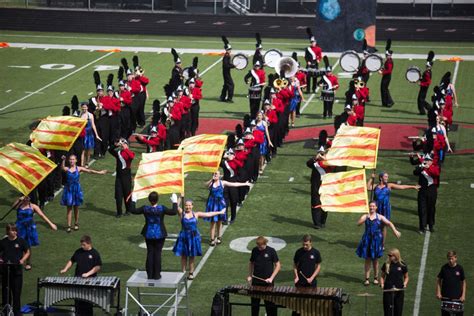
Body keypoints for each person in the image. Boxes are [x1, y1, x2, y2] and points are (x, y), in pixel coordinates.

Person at [172, 199, 225, 280]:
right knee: (183, 256)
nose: (188, 207)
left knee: (192, 256)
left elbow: (208, 214)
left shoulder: (196, 214)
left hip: (193, 236)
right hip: (184, 236)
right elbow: (176, 206)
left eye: (189, 205)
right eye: (186, 205)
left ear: (192, 206)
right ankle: (182, 273)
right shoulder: (181, 213)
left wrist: (220, 212)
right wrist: (180, 196)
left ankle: (191, 273)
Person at [130, 191, 178, 279]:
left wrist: (134, 200)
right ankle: (156, 274)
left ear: (149, 200)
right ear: (157, 199)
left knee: (150, 252)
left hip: (148, 233)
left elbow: (133, 210)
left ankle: (150, 274)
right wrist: (174, 201)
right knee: (158, 253)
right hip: (160, 233)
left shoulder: (145, 208)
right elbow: (174, 212)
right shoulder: (161, 208)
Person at [356, 201, 401, 286]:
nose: (371, 208)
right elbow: (358, 224)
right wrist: (362, 220)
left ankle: (376, 278)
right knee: (367, 260)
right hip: (367, 240)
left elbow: (389, 223)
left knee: (375, 260)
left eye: (373, 206)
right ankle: (367, 279)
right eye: (370, 206)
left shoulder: (380, 217)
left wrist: (395, 230)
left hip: (376, 241)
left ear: (376, 207)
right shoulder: (365, 216)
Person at [367, 172, 419, 243]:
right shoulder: (376, 186)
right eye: (385, 177)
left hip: (385, 209)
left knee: (383, 227)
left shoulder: (389, 186)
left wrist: (412, 187)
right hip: (376, 208)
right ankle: (374, 240)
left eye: (387, 177)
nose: (387, 178)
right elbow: (368, 187)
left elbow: (402, 187)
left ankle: (382, 245)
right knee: (374, 224)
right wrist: (371, 178)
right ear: (381, 178)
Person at [60, 154, 107, 233]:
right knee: (69, 208)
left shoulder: (79, 168)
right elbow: (62, 168)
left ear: (76, 160)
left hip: (76, 189)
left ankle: (76, 223)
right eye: (70, 159)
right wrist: (63, 160)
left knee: (76, 208)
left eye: (73, 159)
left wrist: (100, 172)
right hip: (69, 190)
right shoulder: (67, 169)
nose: (71, 161)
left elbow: (90, 171)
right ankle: (68, 226)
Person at [204, 171, 251, 246]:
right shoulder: (211, 183)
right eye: (214, 174)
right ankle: (212, 239)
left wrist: (244, 183)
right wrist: (211, 179)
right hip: (212, 204)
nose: (215, 175)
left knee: (219, 222)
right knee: (212, 223)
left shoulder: (222, 182)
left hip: (220, 204)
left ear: (220, 175)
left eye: (216, 174)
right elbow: (205, 185)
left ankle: (219, 237)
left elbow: (234, 184)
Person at [60, 235, 102, 315]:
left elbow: (98, 266)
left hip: (90, 282)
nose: (82, 246)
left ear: (89, 244)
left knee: (88, 303)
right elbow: (71, 261)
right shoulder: (78, 251)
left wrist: (88, 274)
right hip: (77, 281)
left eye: (84, 245)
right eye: (81, 245)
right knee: (78, 302)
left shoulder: (95, 253)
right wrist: (65, 269)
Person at [14, 196, 57, 270]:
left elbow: (42, 215)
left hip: (29, 228)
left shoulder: (33, 206)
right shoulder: (19, 204)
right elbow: (13, 207)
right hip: (19, 227)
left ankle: (28, 262)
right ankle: (19, 260)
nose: (27, 199)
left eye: (28, 198)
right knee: (18, 244)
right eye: (25, 198)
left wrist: (51, 224)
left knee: (27, 245)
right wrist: (18, 200)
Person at [0, 224, 30, 316]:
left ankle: (17, 313)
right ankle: (6, 311)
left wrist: (22, 260)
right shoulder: (3, 242)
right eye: (13, 230)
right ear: (8, 231)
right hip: (5, 271)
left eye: (15, 230)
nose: (15, 232)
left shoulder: (21, 241)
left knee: (16, 293)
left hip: (17, 271)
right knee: (5, 293)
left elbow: (27, 251)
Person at [247, 236, 281, 316]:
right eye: (258, 246)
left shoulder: (271, 251)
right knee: (255, 306)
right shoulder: (255, 250)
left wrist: (271, 278)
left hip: (268, 284)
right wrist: (250, 275)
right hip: (256, 283)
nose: (259, 248)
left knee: (270, 306)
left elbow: (278, 265)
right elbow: (251, 263)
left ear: (265, 243)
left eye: (260, 246)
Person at [292, 234, 321, 316]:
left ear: (311, 242)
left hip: (311, 283)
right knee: (298, 306)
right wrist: (296, 276)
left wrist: (312, 278)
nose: (304, 246)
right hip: (300, 283)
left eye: (306, 244)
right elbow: (294, 265)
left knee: (311, 306)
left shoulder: (315, 252)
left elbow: (318, 266)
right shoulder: (299, 252)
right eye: (303, 244)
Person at [306, 147, 334, 229]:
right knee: (315, 204)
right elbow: (308, 163)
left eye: (323, 153)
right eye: (320, 153)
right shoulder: (315, 162)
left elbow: (332, 166)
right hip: (315, 186)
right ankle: (317, 223)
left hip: (326, 186)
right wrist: (315, 158)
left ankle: (323, 221)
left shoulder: (328, 162)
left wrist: (324, 158)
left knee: (325, 204)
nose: (321, 155)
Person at [413, 154, 440, 233]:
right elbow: (415, 172)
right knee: (422, 209)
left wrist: (429, 167)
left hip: (432, 190)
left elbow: (436, 174)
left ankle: (431, 225)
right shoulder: (422, 167)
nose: (427, 162)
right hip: (422, 191)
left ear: (431, 161)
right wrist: (421, 166)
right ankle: (422, 227)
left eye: (429, 160)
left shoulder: (435, 167)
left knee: (431, 208)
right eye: (426, 160)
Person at [108, 138, 135, 218]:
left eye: (124, 143)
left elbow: (131, 157)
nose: (122, 145)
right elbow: (110, 150)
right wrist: (115, 145)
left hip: (126, 176)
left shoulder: (129, 152)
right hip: (119, 177)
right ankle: (119, 212)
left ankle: (128, 210)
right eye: (121, 143)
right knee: (118, 195)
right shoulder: (119, 153)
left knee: (127, 194)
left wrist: (126, 148)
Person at [436, 251, 466, 316]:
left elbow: (463, 282)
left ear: (456, 258)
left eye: (452, 258)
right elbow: (438, 280)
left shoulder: (460, 268)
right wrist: (438, 292)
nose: (450, 260)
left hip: (457, 299)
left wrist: (463, 295)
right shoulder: (444, 268)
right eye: (449, 258)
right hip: (445, 298)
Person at [380, 248, 409, 316]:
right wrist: (382, 284)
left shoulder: (402, 265)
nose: (389, 257)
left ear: (396, 256)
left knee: (398, 310)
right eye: (388, 255)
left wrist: (405, 283)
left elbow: (406, 277)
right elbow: (382, 276)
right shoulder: (386, 264)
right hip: (388, 290)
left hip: (399, 290)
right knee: (387, 311)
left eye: (390, 255)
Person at [80, 102, 101, 168]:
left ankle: (87, 162)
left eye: (85, 107)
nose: (84, 108)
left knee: (88, 150)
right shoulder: (80, 115)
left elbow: (93, 125)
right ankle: (81, 164)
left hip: (89, 134)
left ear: (87, 107)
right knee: (82, 150)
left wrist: (97, 135)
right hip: (82, 134)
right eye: (83, 107)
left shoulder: (90, 115)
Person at [417, 51, 434, 115]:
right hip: (424, 87)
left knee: (420, 99)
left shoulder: (427, 73)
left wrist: (421, 83)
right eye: (426, 66)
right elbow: (425, 79)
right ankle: (429, 108)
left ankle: (423, 111)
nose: (426, 67)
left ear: (429, 66)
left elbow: (428, 82)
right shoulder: (428, 72)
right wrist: (420, 78)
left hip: (424, 87)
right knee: (421, 99)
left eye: (427, 66)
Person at [220, 36, 235, 103]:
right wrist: (233, 66)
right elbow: (226, 65)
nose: (230, 50)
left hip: (226, 72)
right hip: (226, 73)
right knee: (231, 85)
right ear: (227, 50)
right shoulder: (226, 56)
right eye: (229, 49)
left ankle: (222, 97)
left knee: (226, 85)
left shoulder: (227, 55)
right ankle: (229, 98)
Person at [380, 39, 394, 107]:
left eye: (387, 55)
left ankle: (389, 102)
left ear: (390, 55)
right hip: (386, 76)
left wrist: (382, 72)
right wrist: (382, 69)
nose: (386, 55)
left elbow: (389, 70)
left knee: (384, 89)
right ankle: (385, 102)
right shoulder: (388, 60)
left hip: (387, 77)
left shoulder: (389, 61)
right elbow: (386, 69)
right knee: (383, 89)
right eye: (386, 54)